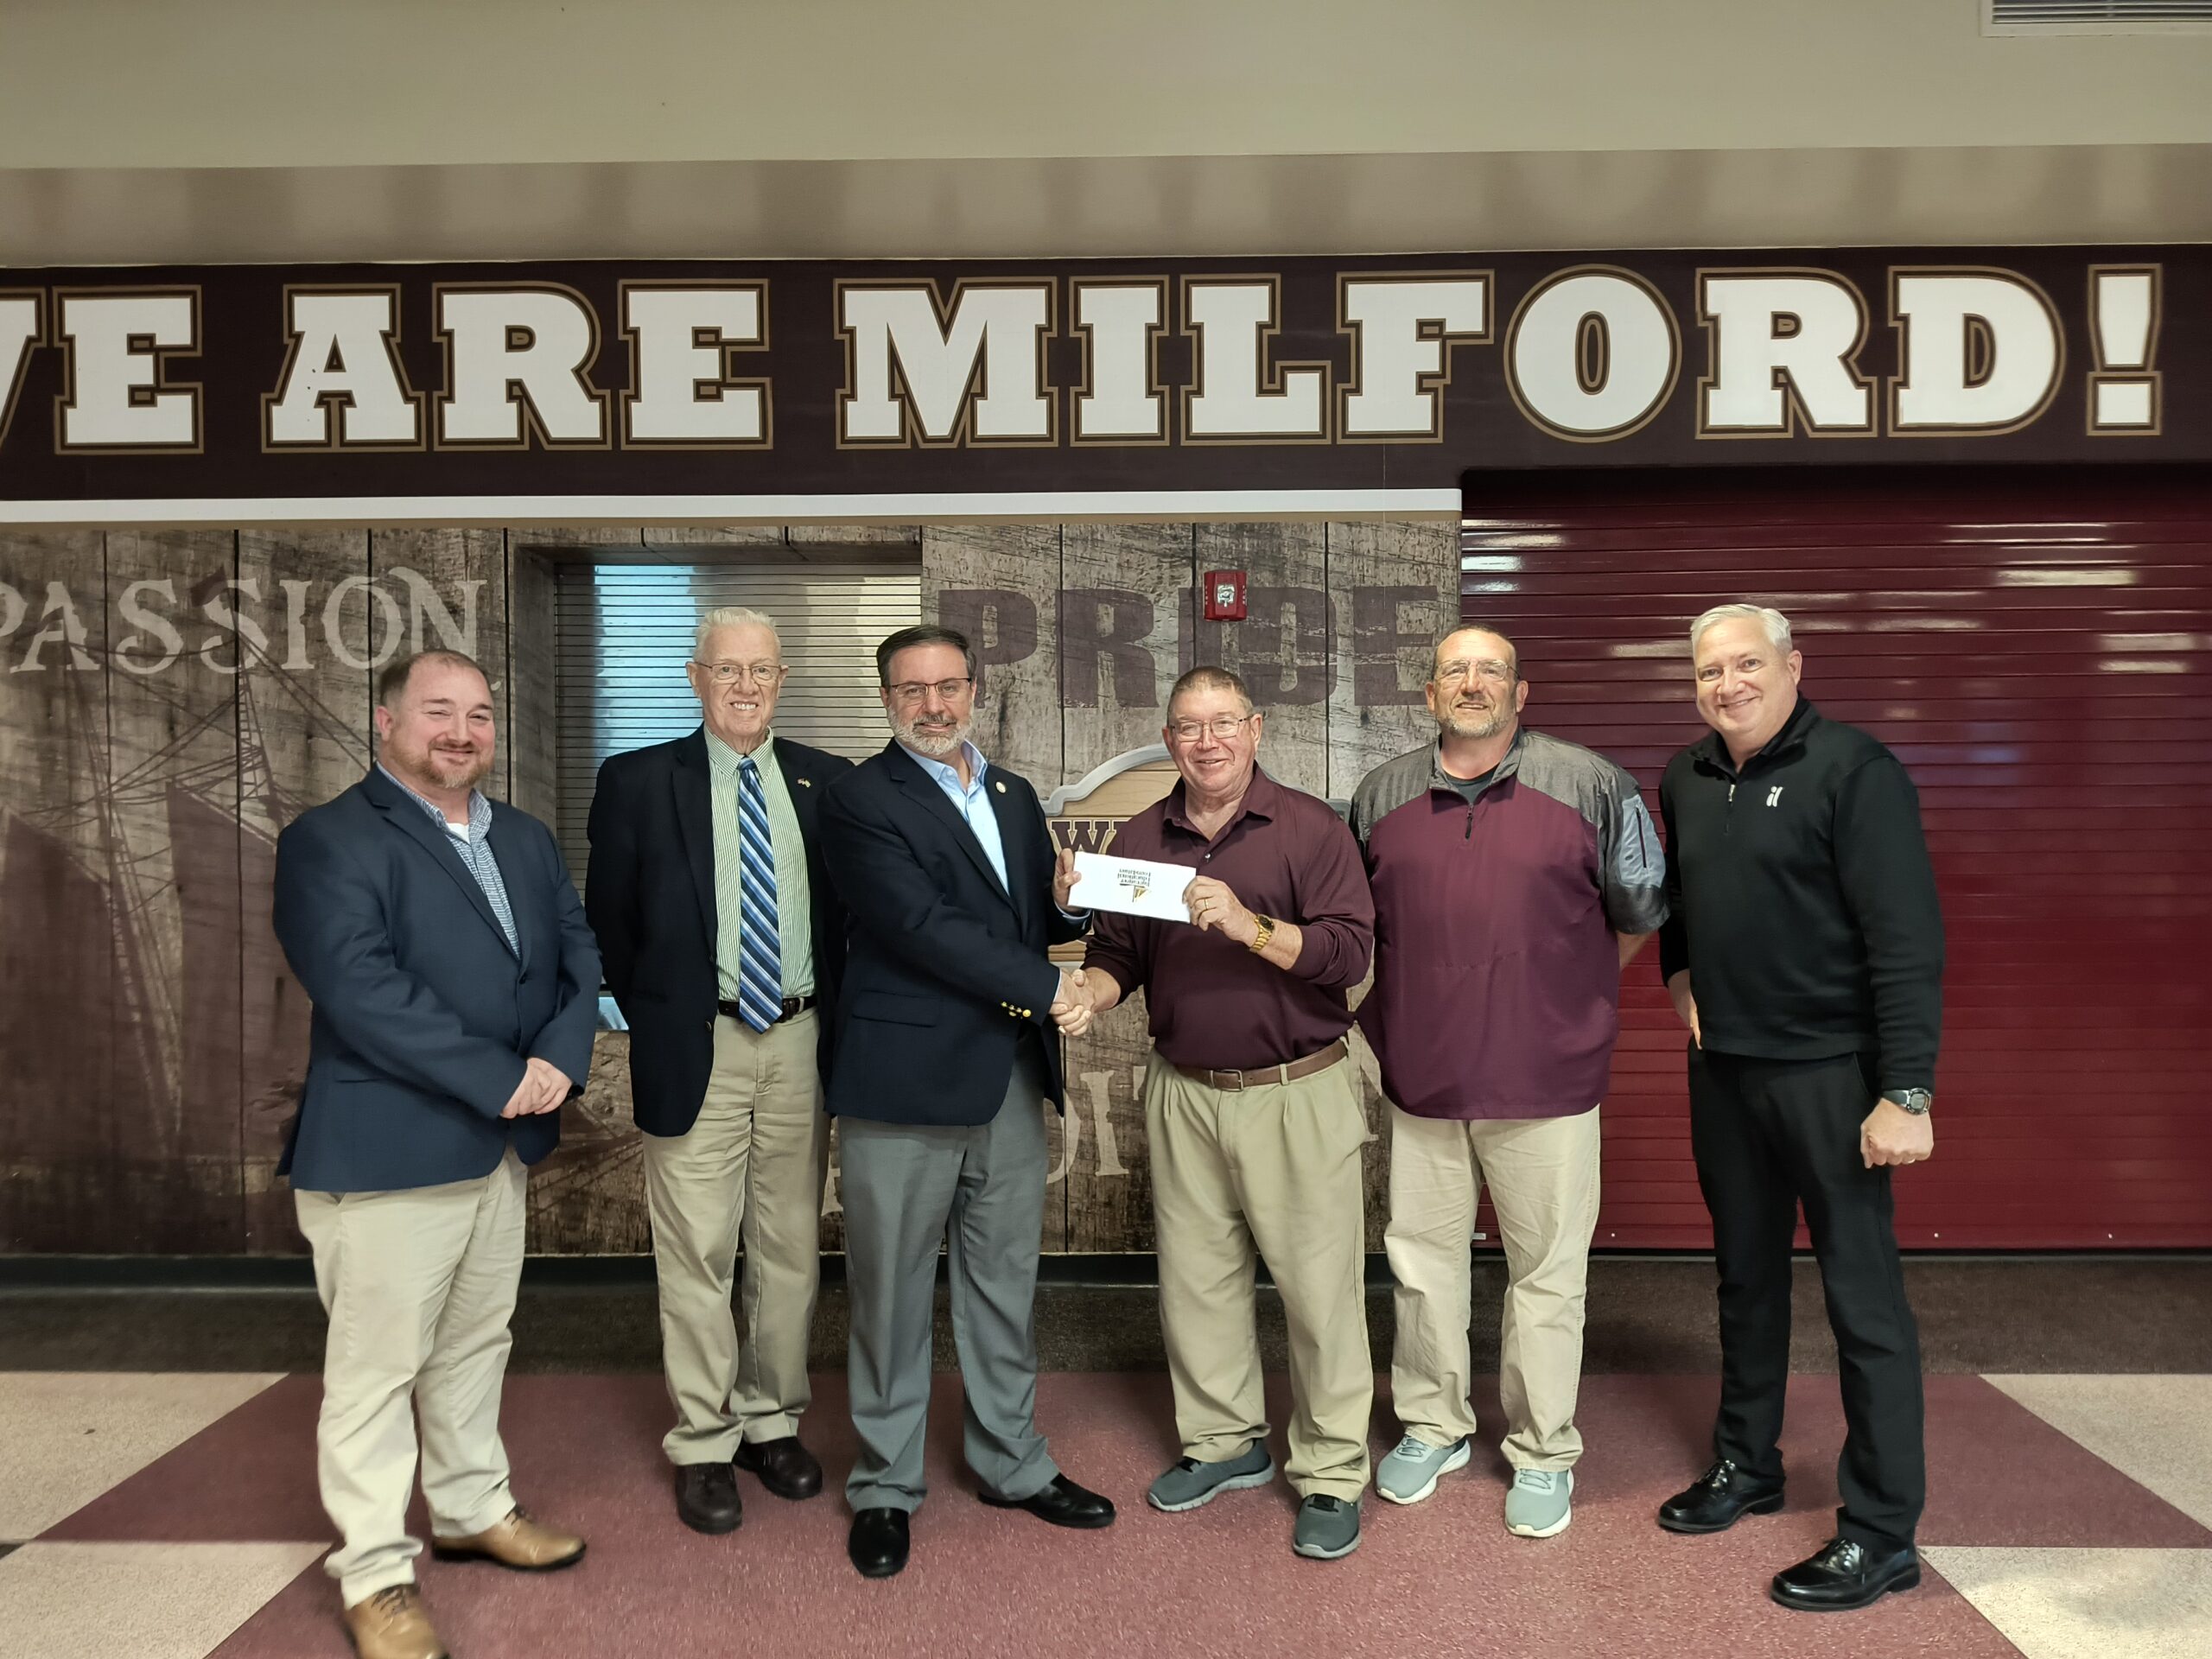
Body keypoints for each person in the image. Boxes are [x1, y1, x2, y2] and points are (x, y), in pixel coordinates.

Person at [271, 649, 600, 1659]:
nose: (461, 732)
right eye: (438, 711)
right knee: (376, 1373)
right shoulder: (329, 839)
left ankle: (470, 1508)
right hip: (389, 1148)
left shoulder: (526, 839)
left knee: (474, 1344)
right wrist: (498, 1077)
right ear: (386, 722)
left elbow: (577, 955)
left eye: (479, 714)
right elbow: (361, 989)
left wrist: (558, 1058)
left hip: (499, 1145)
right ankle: (374, 1574)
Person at [1655, 602, 1942, 1612]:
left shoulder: (1855, 772)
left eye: (1746, 664)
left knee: (1863, 1304)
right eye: (1708, 671)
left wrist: (1905, 1091)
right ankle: (1748, 1464)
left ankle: (1881, 1532)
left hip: (1830, 1075)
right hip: (1725, 1075)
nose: (1726, 684)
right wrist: (1681, 983)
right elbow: (1682, 905)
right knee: (1745, 1281)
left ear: (1791, 667)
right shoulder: (1686, 776)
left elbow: (1905, 941)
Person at [1351, 626, 1666, 1539]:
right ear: (1429, 694)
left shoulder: (1592, 784)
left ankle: (1542, 1449)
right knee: (1421, 1266)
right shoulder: (1379, 795)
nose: (1472, 683)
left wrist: (1562, 988)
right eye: (1455, 670)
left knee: (1547, 1275)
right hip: (1423, 1075)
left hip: (1547, 1077)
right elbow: (1354, 927)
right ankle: (1432, 1426)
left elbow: (1639, 911)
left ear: (1521, 694)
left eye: (1491, 670)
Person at [818, 624, 1116, 1579]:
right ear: (886, 699)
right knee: (892, 1292)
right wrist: (1051, 988)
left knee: (1002, 1285)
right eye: (912, 690)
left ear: (975, 690)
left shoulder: (1013, 794)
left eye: (948, 686)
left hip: (1007, 1079)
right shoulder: (858, 798)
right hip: (903, 1083)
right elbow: (918, 926)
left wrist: (1069, 908)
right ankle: (885, 1484)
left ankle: (1010, 1463)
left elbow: (1024, 919)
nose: (933, 705)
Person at [1077, 665, 1377, 1561]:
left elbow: (1349, 954)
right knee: (1197, 1282)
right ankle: (1224, 1443)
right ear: (1168, 739)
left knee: (1320, 1294)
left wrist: (1251, 927)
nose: (1205, 742)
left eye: (1222, 723)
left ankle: (1330, 1471)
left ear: (1255, 730)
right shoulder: (1141, 835)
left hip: (1295, 1090)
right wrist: (1084, 995)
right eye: (1187, 726)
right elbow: (1117, 956)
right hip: (1184, 1091)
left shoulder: (1311, 828)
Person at [585, 607, 851, 1535]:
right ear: (695, 678)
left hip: (801, 1041)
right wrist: (664, 1010)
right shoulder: (634, 781)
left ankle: (771, 1422)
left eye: (761, 671)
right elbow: (610, 922)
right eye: (727, 669)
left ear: (782, 682)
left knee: (788, 1247)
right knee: (697, 1249)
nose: (745, 686)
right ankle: (704, 1438)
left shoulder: (828, 781)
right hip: (697, 1042)